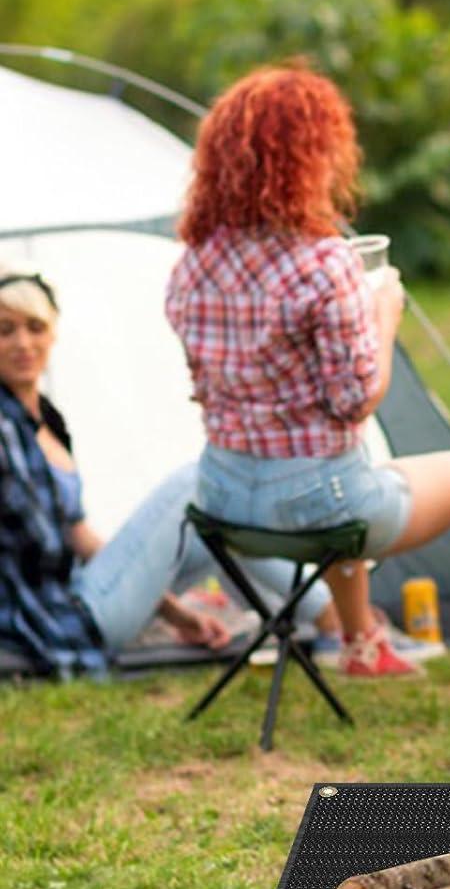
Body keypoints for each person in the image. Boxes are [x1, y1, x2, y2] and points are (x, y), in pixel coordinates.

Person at [165, 66, 450, 700]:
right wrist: (383, 311)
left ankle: (361, 642)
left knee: (335, 457)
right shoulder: (322, 264)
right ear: (313, 158)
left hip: (226, 499)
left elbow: (211, 387)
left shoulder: (194, 263)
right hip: (319, 508)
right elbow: (356, 399)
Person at [0, 266, 334, 674]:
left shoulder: (46, 421)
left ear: (53, 333)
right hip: (60, 616)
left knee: (216, 529)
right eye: (5, 330)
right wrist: (175, 612)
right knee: (197, 483)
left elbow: (77, 533)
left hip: (81, 593)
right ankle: (341, 623)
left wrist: (177, 614)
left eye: (35, 328)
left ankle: (325, 618)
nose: (23, 343)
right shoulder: (4, 429)